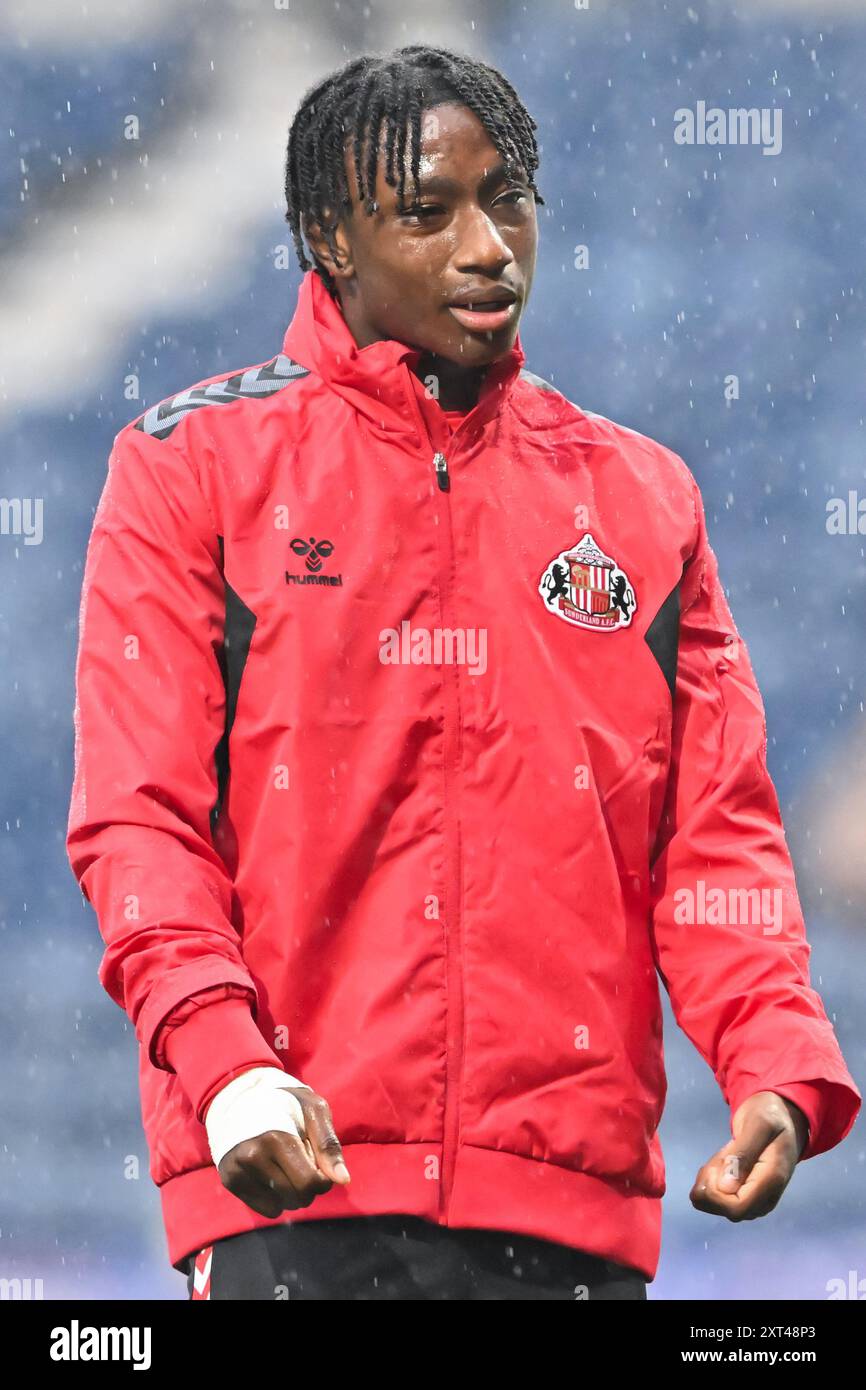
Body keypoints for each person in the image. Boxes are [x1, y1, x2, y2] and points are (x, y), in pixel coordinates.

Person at [66, 44, 860, 1302]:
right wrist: (227, 1067)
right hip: (291, 1176)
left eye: (510, 199)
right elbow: (138, 822)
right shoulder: (190, 471)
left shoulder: (641, 500)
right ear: (331, 236)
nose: (487, 246)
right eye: (427, 213)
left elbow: (712, 839)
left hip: (570, 1214)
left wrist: (770, 1055)